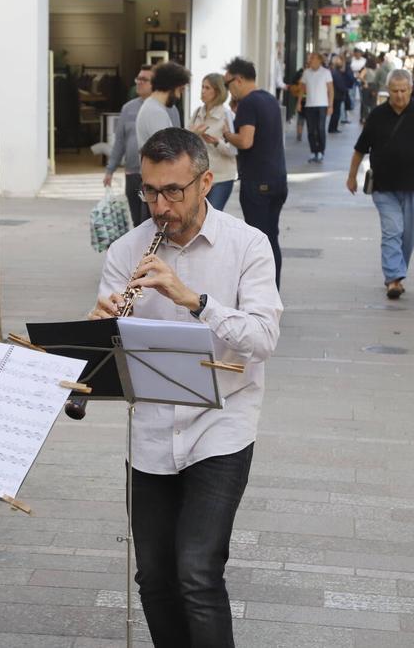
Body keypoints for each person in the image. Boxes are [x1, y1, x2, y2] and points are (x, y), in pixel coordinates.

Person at [89, 127, 281, 647]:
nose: (159, 205)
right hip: (150, 433)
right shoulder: (126, 250)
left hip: (221, 425)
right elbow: (108, 357)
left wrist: (195, 301)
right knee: (153, 577)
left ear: (205, 182)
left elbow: (263, 339)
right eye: (149, 191)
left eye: (173, 190)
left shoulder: (248, 246)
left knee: (196, 571)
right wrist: (99, 334)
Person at [345, 69, 414, 299]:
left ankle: (399, 272)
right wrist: (351, 177)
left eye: (403, 90)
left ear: (410, 89)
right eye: (394, 91)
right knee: (393, 231)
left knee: (408, 234)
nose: (399, 95)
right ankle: (393, 278)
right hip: (383, 187)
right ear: (387, 91)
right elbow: (360, 150)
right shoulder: (377, 115)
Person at [223, 56, 289, 288]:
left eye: (227, 84)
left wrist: (226, 134)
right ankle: (273, 289)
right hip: (277, 179)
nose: (228, 90)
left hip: (258, 182)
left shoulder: (249, 103)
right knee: (271, 238)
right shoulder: (268, 99)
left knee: (258, 241)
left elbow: (246, 140)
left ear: (238, 80)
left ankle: (263, 293)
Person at [107, 65, 183, 226]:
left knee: (145, 230)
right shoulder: (154, 111)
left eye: (144, 79)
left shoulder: (155, 108)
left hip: (149, 180)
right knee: (148, 231)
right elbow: (167, 153)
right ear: (172, 86)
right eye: (180, 89)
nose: (179, 94)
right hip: (153, 182)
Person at [189, 73, 238, 210]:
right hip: (199, 176)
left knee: (213, 216)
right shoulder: (197, 112)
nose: (203, 91)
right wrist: (193, 134)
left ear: (217, 91)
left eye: (207, 88)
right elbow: (186, 142)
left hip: (221, 177)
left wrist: (216, 142)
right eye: (202, 87)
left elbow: (233, 151)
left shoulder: (228, 116)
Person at [137, 61, 191, 149]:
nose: (178, 96)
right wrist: (192, 137)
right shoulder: (156, 112)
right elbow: (169, 151)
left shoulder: (151, 106)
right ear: (172, 86)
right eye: (180, 90)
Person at [298, 52, 333, 163]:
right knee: (311, 130)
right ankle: (313, 151)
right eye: (310, 59)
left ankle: (321, 152)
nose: (310, 61)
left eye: (312, 58)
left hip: (322, 105)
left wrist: (330, 105)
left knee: (321, 129)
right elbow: (302, 89)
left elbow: (331, 90)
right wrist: (298, 102)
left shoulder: (326, 72)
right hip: (309, 105)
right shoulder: (306, 73)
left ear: (319, 60)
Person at [327, 56, 352, 133]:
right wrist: (345, 89)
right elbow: (339, 84)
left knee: (336, 113)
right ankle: (332, 128)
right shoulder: (335, 73)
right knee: (336, 113)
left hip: (337, 95)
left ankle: (333, 128)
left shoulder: (337, 72)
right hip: (337, 96)